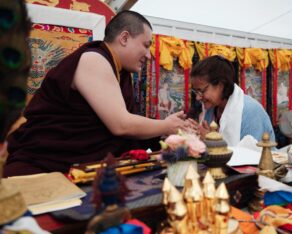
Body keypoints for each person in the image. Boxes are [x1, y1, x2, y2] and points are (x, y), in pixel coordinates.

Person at [4, 10, 190, 177]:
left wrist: (166, 134)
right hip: (42, 167)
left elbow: (124, 127)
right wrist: (166, 126)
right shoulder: (94, 60)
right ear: (124, 38)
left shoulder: (120, 72)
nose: (149, 55)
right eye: (146, 45)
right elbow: (121, 125)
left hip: (76, 168)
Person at [189, 55, 275, 146]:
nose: (198, 97)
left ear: (221, 85)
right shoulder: (210, 109)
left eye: (202, 91)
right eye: (195, 91)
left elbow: (254, 156)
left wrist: (213, 142)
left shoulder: (251, 111)